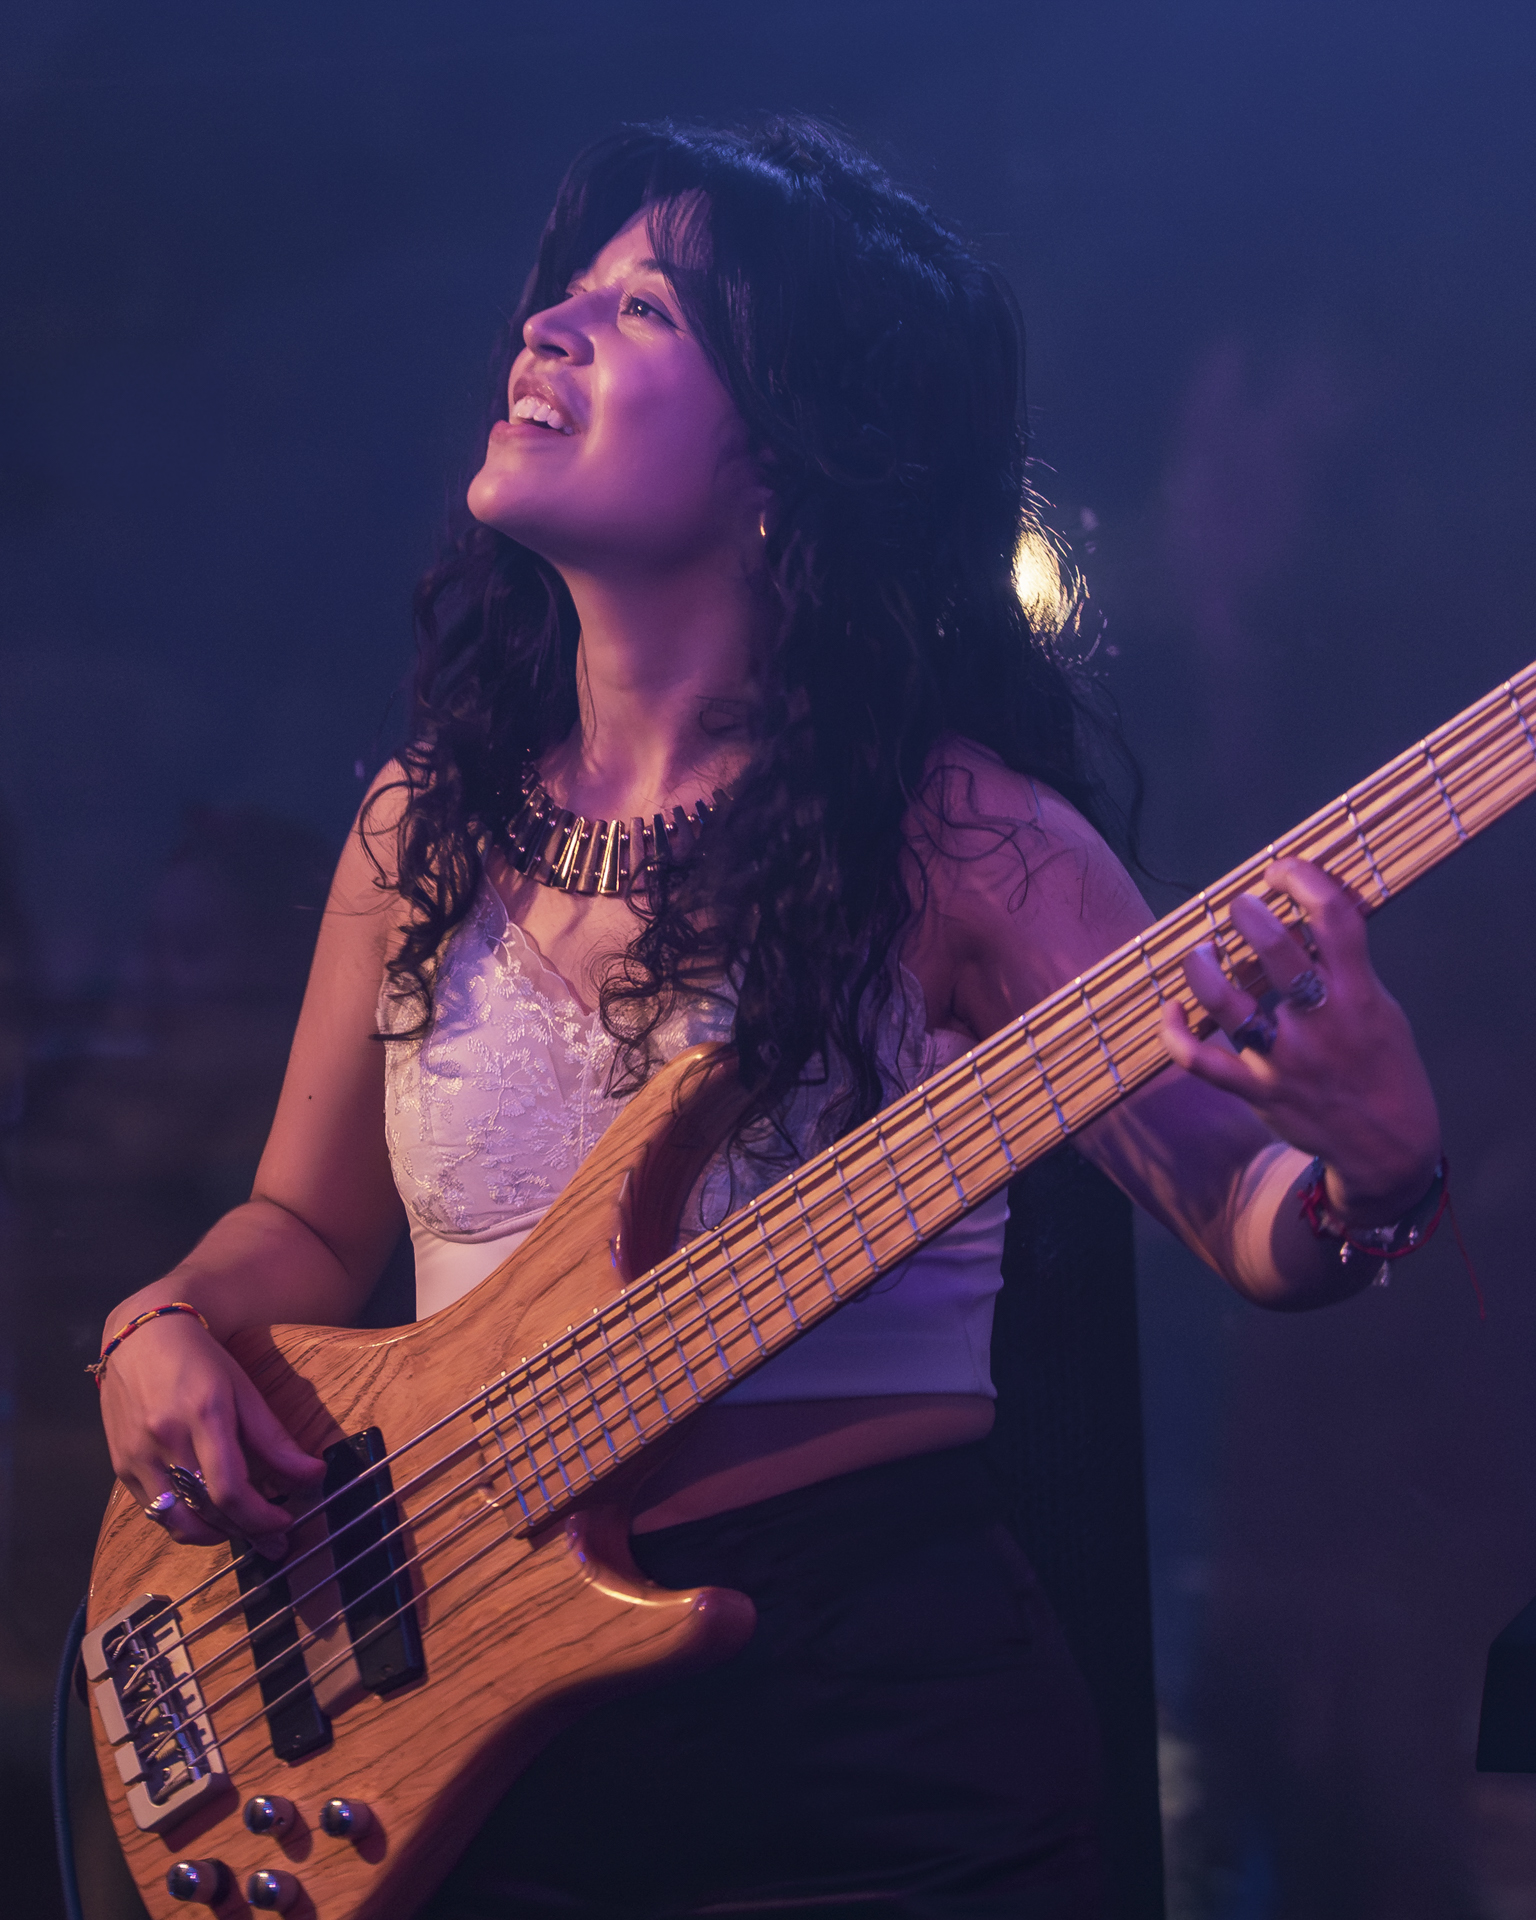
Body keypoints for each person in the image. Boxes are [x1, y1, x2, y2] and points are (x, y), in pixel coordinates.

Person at [93, 121, 1443, 1918]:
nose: (550, 326)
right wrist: (162, 1322)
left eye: (644, 308)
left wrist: (1378, 1166)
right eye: (564, 290)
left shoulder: (963, 838)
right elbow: (307, 1227)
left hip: (868, 1734)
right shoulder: (423, 826)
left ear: (787, 458)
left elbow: (1248, 1210)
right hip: (452, 1707)